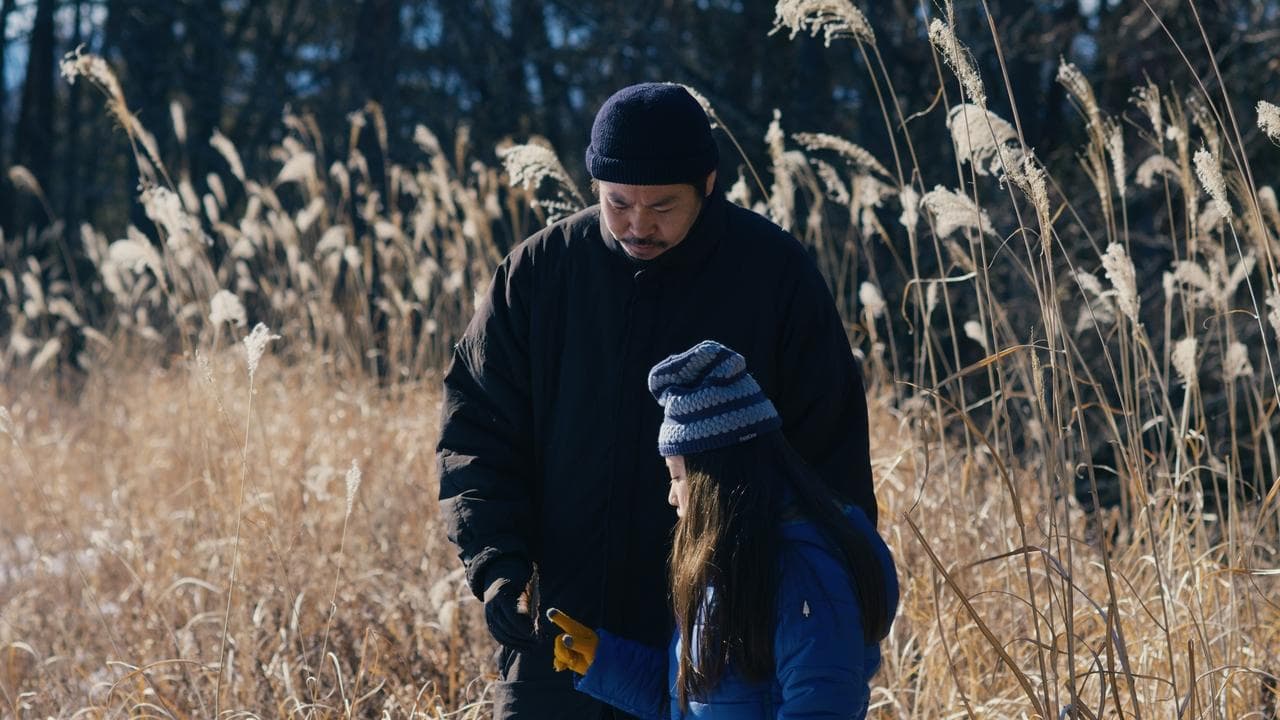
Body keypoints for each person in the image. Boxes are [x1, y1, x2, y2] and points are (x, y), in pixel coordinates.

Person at [436, 82, 878, 719]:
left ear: (708, 182)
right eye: (618, 203)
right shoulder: (540, 273)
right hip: (564, 638)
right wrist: (497, 563)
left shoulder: (774, 276)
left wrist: (817, 606)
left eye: (663, 206)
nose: (639, 224)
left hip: (724, 643)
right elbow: (476, 432)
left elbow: (829, 465)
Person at [545, 340, 897, 719]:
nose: (671, 496)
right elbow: (692, 704)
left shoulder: (804, 575)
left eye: (677, 476)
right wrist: (605, 663)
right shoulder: (730, 566)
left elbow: (824, 707)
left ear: (713, 480)